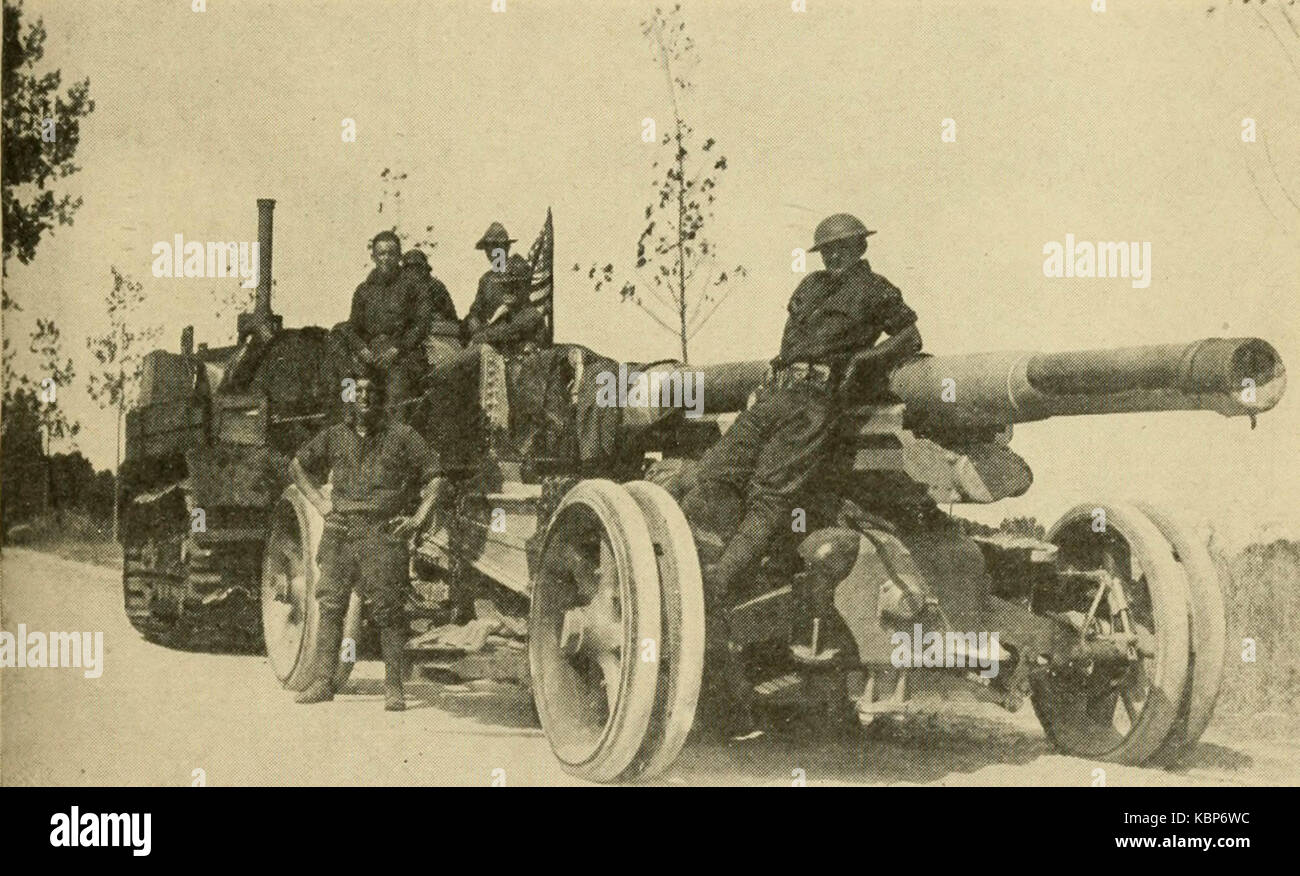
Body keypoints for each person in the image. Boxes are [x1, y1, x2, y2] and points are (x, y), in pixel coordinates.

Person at [679, 212, 923, 737]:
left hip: (817, 401)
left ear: (860, 248)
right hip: (777, 392)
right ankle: (719, 555)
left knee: (771, 496)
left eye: (843, 248)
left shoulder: (876, 290)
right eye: (828, 250)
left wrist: (865, 362)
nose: (835, 256)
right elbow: (791, 339)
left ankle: (719, 582)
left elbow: (909, 335)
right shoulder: (808, 288)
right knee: (714, 473)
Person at [290, 375, 444, 711]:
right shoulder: (333, 436)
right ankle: (322, 682)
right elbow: (297, 467)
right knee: (330, 606)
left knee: (388, 611)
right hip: (340, 532)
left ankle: (394, 687)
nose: (365, 398)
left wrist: (417, 518)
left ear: (382, 399)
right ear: (349, 397)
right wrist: (321, 505)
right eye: (358, 392)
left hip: (382, 533)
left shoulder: (402, 436)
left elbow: (435, 475)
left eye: (372, 392)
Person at [331, 231, 432, 417]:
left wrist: (397, 349)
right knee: (348, 389)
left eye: (391, 253)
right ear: (373, 257)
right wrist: (362, 349)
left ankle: (395, 438)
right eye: (381, 254)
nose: (386, 258)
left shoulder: (414, 287)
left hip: (402, 357)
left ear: (399, 256)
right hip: (370, 355)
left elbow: (421, 324)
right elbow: (354, 327)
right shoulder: (363, 290)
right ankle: (347, 427)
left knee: (395, 400)